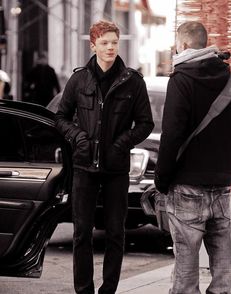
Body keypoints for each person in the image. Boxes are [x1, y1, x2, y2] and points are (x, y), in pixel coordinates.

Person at [55, 20, 154, 294]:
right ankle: (84, 290)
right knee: (81, 233)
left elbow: (145, 123)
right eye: (105, 43)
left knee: (115, 233)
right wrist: (78, 137)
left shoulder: (132, 81)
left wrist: (121, 144)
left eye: (114, 42)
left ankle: (108, 290)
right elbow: (60, 118)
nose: (111, 48)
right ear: (93, 45)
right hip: (84, 167)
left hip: (116, 169)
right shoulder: (79, 79)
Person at [155, 21, 231, 294]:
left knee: (186, 273)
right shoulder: (230, 80)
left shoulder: (182, 79)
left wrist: (161, 180)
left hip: (187, 185)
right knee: (223, 269)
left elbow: (172, 134)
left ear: (185, 45)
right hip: (222, 185)